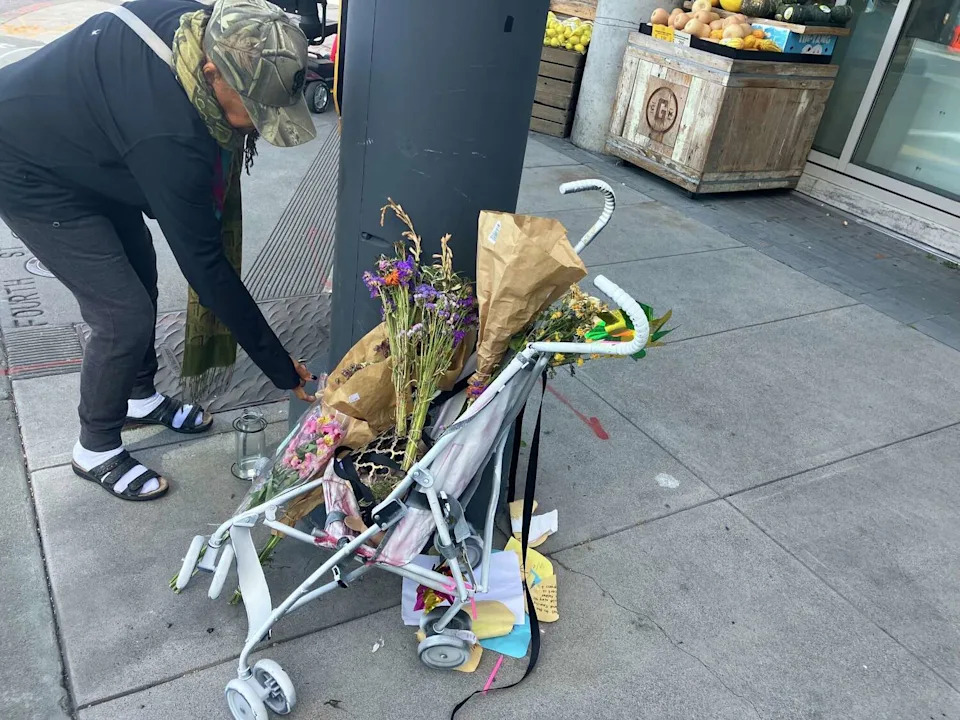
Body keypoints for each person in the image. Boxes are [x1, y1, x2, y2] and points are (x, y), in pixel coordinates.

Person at [0, 0, 318, 501]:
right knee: (121, 314)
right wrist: (279, 365)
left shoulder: (202, 23)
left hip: (96, 146)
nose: (258, 125)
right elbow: (206, 269)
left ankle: (138, 396)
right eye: (255, 109)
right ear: (212, 73)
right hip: (26, 166)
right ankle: (96, 446)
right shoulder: (173, 137)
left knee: (141, 273)